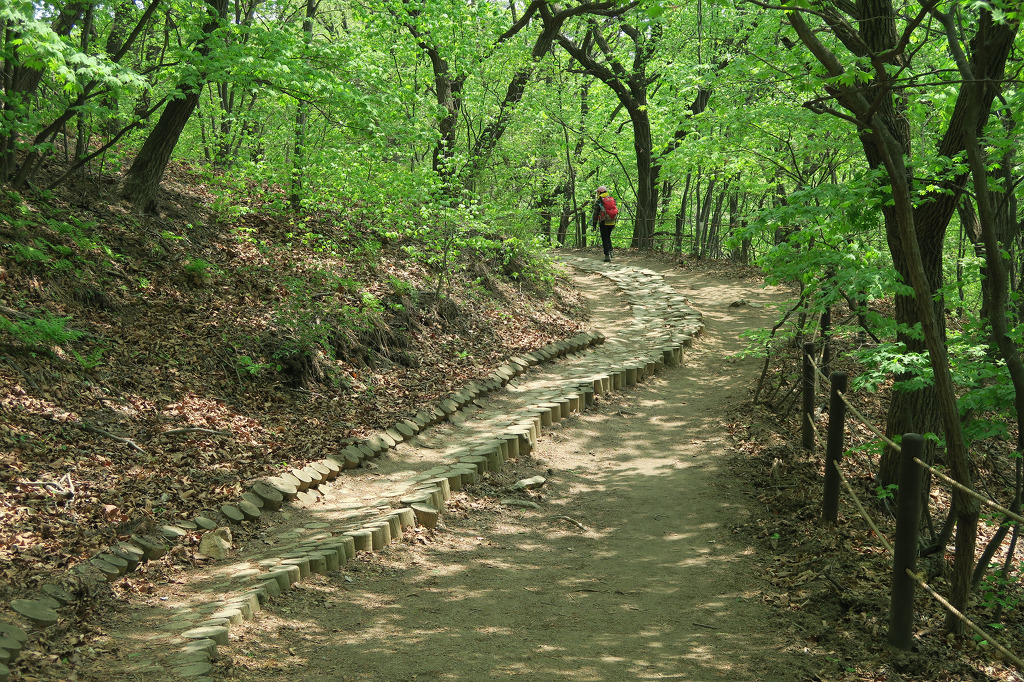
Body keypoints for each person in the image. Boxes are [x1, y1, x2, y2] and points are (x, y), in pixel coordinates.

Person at [592, 186, 618, 262]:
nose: (597, 193)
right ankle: (611, 251)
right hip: (612, 221)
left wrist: (594, 224)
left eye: (597, 192)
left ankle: (607, 255)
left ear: (600, 192)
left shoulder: (599, 201)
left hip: (604, 221)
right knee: (608, 237)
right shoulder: (612, 199)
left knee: (604, 238)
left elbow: (596, 214)